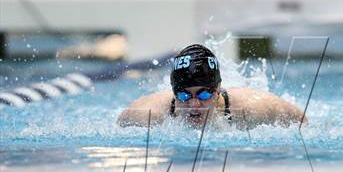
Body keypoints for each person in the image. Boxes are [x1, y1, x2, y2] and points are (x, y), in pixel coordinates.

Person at [118, 44, 306, 128]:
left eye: (203, 95)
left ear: (217, 90)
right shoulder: (149, 113)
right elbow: (119, 125)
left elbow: (301, 122)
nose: (194, 105)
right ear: (174, 94)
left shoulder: (253, 107)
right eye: (184, 96)